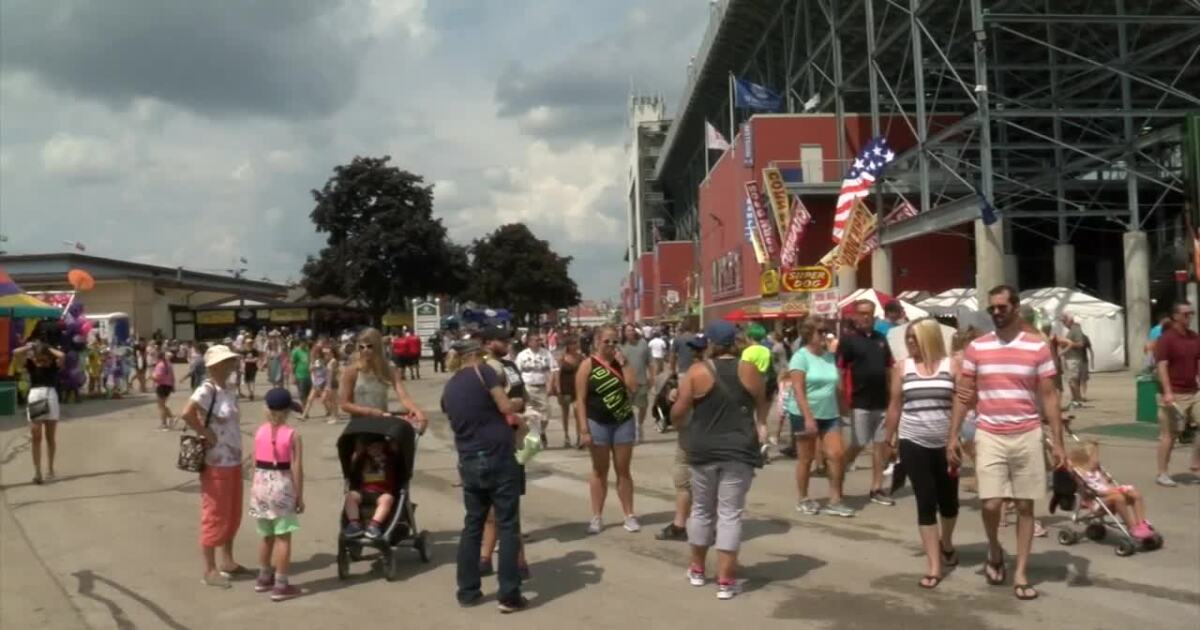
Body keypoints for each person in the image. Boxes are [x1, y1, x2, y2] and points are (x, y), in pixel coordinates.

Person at [948, 285, 1066, 602]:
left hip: (1027, 432)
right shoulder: (978, 347)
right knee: (990, 503)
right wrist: (952, 436)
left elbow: (1049, 396)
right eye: (992, 309)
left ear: (1015, 307)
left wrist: (1058, 442)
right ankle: (995, 548)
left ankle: (1021, 572)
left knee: (1025, 505)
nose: (997, 313)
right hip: (989, 432)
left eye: (1002, 307)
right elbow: (963, 394)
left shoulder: (1037, 347)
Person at [670, 321, 769, 600]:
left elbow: (678, 412)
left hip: (703, 450)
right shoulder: (749, 369)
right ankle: (725, 581)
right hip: (739, 450)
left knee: (702, 510)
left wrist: (677, 417)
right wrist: (761, 424)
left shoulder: (697, 371)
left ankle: (697, 569)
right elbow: (762, 400)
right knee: (730, 514)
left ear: (711, 344)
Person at [441, 336, 528, 613]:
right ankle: (509, 595)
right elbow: (504, 406)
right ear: (476, 355)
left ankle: (467, 590)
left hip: (469, 457)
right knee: (508, 524)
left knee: (473, 524)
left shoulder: (451, 385)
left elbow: (451, 413)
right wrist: (517, 403)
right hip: (497, 454)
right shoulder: (484, 372)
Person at [884, 318, 959, 589]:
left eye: (914, 337)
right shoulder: (902, 367)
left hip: (946, 443)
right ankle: (934, 565)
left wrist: (956, 438)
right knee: (925, 501)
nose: (909, 342)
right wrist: (888, 438)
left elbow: (960, 404)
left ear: (929, 337)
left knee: (949, 502)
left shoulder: (952, 366)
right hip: (913, 441)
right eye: (908, 337)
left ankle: (946, 542)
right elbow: (895, 404)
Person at [180, 345, 248, 589]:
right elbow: (186, 413)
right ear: (216, 366)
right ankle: (209, 569)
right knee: (215, 513)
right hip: (216, 462)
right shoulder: (207, 389)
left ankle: (227, 560)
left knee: (232, 512)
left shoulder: (227, 389)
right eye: (227, 362)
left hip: (233, 459)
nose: (232, 365)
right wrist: (204, 432)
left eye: (231, 361)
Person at [576, 324, 640, 534]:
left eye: (615, 342)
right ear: (597, 342)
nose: (611, 345)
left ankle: (629, 515)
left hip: (623, 421)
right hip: (597, 422)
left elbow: (633, 387)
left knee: (623, 470)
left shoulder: (621, 363)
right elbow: (580, 400)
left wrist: (625, 363)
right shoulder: (587, 365)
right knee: (599, 470)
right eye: (607, 341)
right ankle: (597, 516)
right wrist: (584, 430)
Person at [789, 318, 854, 517]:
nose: (824, 335)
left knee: (837, 455)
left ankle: (835, 499)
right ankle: (803, 498)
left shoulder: (829, 357)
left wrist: (844, 408)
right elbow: (798, 389)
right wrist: (808, 417)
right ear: (808, 333)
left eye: (826, 331)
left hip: (830, 413)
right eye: (820, 331)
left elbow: (835, 385)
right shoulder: (800, 357)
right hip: (804, 413)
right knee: (806, 458)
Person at [249, 388, 305, 601]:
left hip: (260, 485)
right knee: (283, 536)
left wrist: (256, 487)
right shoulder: (292, 435)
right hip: (281, 485)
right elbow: (297, 467)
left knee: (266, 534)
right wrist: (299, 495)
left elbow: (254, 462)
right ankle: (281, 584)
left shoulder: (259, 432)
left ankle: (264, 577)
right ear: (287, 411)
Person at [839, 299, 896, 507]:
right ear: (855, 316)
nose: (865, 317)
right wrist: (842, 400)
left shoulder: (881, 339)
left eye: (869, 313)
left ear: (874, 315)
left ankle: (876, 487)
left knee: (880, 446)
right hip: (859, 401)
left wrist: (893, 398)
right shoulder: (848, 340)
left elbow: (889, 369)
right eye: (861, 313)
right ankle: (838, 474)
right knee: (858, 443)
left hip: (881, 401)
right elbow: (840, 370)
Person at [339, 328, 427, 432]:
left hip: (381, 424)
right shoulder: (352, 371)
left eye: (369, 346)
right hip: (359, 426)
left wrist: (417, 411)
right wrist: (370, 412)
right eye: (361, 347)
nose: (365, 350)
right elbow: (344, 404)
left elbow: (404, 397)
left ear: (378, 347)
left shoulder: (389, 370)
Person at [1068, 441, 1158, 540]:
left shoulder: (1097, 471)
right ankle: (1132, 527)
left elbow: (1107, 485)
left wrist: (1117, 487)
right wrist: (1115, 491)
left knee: (1135, 494)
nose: (1097, 460)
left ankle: (1142, 524)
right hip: (1097, 503)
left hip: (1109, 497)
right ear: (1086, 459)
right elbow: (1094, 492)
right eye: (1095, 457)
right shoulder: (1082, 475)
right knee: (1118, 497)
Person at [1153, 301, 1200, 487]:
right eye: (1186, 314)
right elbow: (1162, 366)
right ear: (1175, 316)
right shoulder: (1166, 339)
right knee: (1169, 435)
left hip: (1193, 392)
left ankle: (1196, 464)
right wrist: (1167, 392)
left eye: (1191, 313)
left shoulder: (1194, 337)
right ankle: (1162, 473)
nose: (1190, 317)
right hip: (1173, 394)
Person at [16, 342, 64, 484]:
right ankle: (38, 472)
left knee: (50, 437)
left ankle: (50, 469)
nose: (40, 359)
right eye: (38, 356)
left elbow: (62, 355)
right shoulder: (32, 365)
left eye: (42, 356)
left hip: (50, 396)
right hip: (37, 396)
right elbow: (16, 353)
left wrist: (47, 348)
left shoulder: (53, 365)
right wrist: (30, 347)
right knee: (36, 436)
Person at [342, 437, 397, 540]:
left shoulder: (389, 457)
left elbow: (396, 450)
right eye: (371, 447)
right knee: (350, 496)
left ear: (383, 447)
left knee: (387, 499)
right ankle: (354, 524)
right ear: (367, 448)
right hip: (364, 491)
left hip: (382, 492)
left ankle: (374, 525)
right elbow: (354, 460)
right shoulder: (363, 458)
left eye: (378, 447)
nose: (375, 449)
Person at [515, 332, 557, 448]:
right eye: (535, 340)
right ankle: (534, 437)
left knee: (545, 414)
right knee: (531, 415)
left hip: (542, 387)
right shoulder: (522, 355)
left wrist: (551, 385)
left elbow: (554, 370)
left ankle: (541, 431)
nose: (538, 342)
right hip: (527, 387)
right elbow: (517, 372)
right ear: (529, 342)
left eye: (539, 340)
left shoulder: (546, 354)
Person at [619, 324, 654, 442]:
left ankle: (640, 425)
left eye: (632, 330)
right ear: (624, 333)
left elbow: (650, 362)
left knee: (643, 406)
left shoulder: (643, 344)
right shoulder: (620, 346)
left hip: (641, 381)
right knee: (627, 409)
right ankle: (631, 430)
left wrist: (652, 377)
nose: (630, 332)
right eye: (628, 330)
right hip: (626, 382)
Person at [555, 335, 583, 448]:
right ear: (568, 345)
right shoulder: (562, 358)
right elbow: (557, 374)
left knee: (578, 412)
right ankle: (566, 436)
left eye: (576, 343)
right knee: (565, 413)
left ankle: (579, 436)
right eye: (573, 344)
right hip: (565, 387)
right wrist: (558, 389)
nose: (576, 346)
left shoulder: (580, 357)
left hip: (577, 388)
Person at [1058, 314, 1086, 409]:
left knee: (1073, 380)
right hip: (1069, 358)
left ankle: (1077, 401)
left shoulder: (1076, 329)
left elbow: (1081, 344)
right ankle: (1074, 400)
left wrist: (1068, 344)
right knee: (1070, 380)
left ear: (1069, 320)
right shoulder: (1071, 330)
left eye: (1064, 321)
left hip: (1073, 358)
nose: (1063, 324)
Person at [302, 345, 330, 421]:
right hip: (316, 382)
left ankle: (329, 411)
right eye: (314, 352)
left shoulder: (320, 361)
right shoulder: (316, 360)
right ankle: (304, 415)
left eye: (317, 352)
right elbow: (311, 369)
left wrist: (311, 364)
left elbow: (312, 368)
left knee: (321, 399)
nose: (315, 353)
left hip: (321, 382)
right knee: (311, 399)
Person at [153, 348, 178, 431]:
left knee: (161, 406)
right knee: (163, 404)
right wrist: (173, 385)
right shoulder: (168, 364)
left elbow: (158, 377)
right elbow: (172, 376)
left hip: (161, 386)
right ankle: (172, 417)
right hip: (168, 386)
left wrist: (152, 377)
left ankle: (164, 424)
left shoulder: (160, 365)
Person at [290, 339, 312, 406]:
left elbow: (310, 361)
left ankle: (306, 407)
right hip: (300, 375)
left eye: (305, 343)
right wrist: (293, 376)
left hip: (308, 375)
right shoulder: (295, 351)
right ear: (300, 343)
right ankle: (304, 407)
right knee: (302, 394)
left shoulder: (308, 351)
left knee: (308, 393)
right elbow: (293, 364)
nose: (304, 345)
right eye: (303, 343)